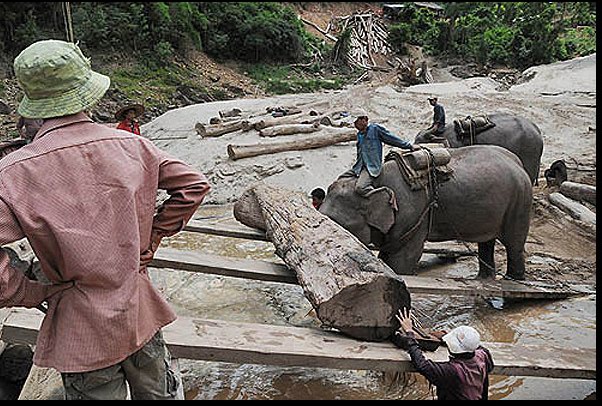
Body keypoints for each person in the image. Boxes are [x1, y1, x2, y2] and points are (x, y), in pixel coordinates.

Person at [0, 39, 211, 400]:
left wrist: (28, 290)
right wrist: (152, 240)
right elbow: (193, 185)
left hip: (81, 325)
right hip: (139, 309)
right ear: (86, 93)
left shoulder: (13, 173)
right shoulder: (133, 146)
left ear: (33, 104)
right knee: (158, 393)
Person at [394, 308, 494, 400]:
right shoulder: (483, 354)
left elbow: (422, 365)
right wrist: (442, 337)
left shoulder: (452, 371)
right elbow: (488, 364)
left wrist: (409, 333)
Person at [340, 115, 418, 196]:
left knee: (360, 188)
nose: (355, 125)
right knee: (341, 178)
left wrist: (409, 146)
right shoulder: (359, 135)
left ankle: (381, 195)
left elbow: (391, 139)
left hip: (371, 167)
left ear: (364, 120)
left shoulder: (375, 129)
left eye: (356, 122)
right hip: (359, 167)